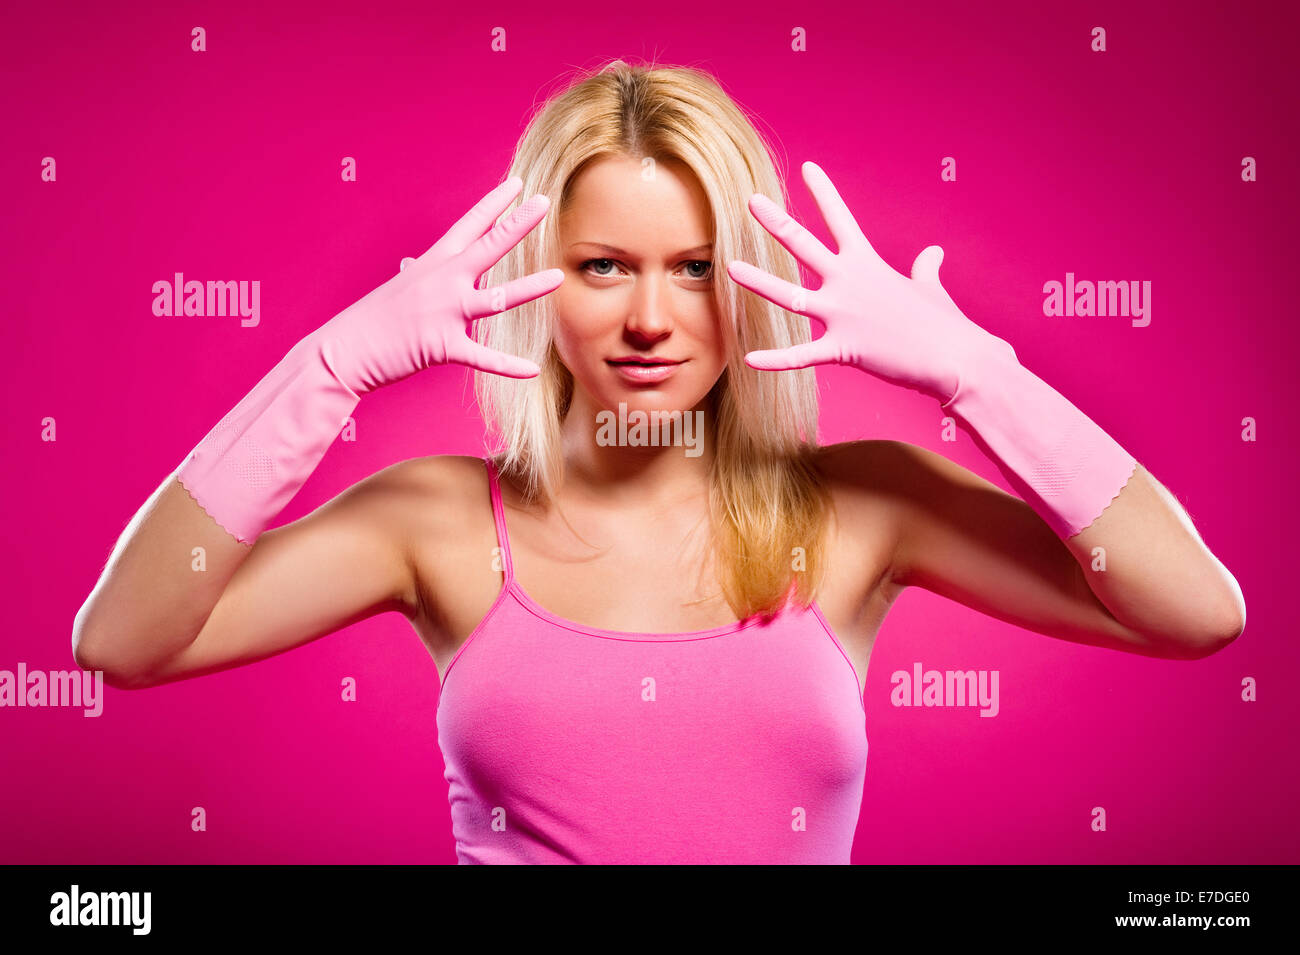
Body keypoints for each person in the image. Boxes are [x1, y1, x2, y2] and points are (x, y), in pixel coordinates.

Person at [71, 59, 1246, 865]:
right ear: (537, 275)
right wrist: (328, 366)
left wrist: (978, 375)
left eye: (694, 266)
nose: (650, 318)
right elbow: (121, 641)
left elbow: (1195, 610)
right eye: (601, 266)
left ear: (747, 278)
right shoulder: (430, 521)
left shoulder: (863, 508)